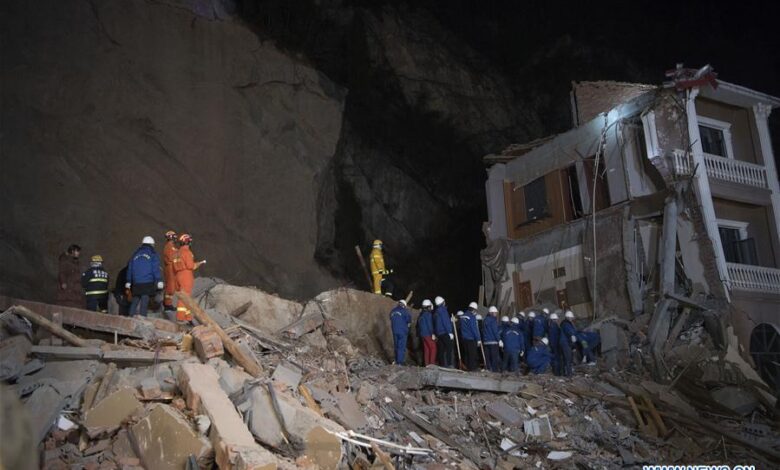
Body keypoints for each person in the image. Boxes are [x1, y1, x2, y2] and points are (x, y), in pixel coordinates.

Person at [126, 236, 163, 317]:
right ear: (152, 244)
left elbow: (130, 268)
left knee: (135, 300)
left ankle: (130, 317)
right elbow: (155, 268)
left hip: (136, 282)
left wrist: (128, 281)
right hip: (147, 282)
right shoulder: (153, 254)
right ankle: (143, 319)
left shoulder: (135, 254)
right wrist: (159, 280)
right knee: (144, 301)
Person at [173, 233, 206, 322]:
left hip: (178, 275)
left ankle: (188, 317)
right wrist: (199, 263)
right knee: (184, 296)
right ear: (188, 242)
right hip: (186, 276)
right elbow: (191, 266)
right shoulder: (187, 252)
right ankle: (180, 318)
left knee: (186, 296)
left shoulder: (176, 252)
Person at [433, 296, 454, 368]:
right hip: (444, 332)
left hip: (438, 333)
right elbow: (445, 322)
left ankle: (442, 364)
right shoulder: (443, 310)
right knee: (449, 347)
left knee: (441, 349)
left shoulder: (436, 312)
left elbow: (437, 323)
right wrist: (450, 332)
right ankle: (449, 364)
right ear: (443, 302)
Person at [389, 299, 412, 365]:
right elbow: (409, 320)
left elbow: (391, 318)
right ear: (404, 305)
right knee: (401, 347)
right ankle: (399, 362)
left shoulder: (392, 311)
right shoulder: (405, 311)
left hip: (394, 331)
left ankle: (396, 360)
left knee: (396, 346)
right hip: (402, 332)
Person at [460, 303, 481, 371]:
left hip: (464, 338)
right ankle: (472, 368)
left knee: (466, 353)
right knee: (472, 354)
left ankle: (467, 367)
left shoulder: (463, 316)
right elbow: (474, 329)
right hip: (471, 338)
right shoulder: (471, 316)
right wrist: (478, 339)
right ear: (474, 309)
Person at [162, 230, 179, 314]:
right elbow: (171, 258)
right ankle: (167, 305)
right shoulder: (169, 246)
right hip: (170, 268)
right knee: (170, 288)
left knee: (170, 287)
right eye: (174, 237)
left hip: (171, 268)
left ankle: (167, 303)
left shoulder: (171, 246)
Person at [418, 299, 436, 366]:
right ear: (428, 307)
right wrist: (433, 333)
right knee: (433, 348)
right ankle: (431, 364)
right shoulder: (428, 315)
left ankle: (427, 364)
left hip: (422, 335)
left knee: (427, 349)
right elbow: (429, 325)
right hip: (428, 334)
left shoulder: (421, 315)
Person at [483, 306, 501, 372]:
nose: (496, 314)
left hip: (486, 341)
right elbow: (495, 331)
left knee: (487, 356)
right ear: (492, 313)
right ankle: (494, 370)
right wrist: (499, 339)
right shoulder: (493, 320)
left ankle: (488, 368)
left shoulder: (485, 320)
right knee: (494, 357)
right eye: (495, 313)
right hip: (493, 341)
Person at [559, 310, 577, 376]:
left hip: (565, 343)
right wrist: (572, 335)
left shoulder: (565, 323)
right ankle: (569, 374)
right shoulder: (566, 324)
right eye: (571, 317)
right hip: (565, 343)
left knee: (566, 359)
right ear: (568, 317)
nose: (572, 319)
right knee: (568, 358)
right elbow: (569, 331)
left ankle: (565, 373)